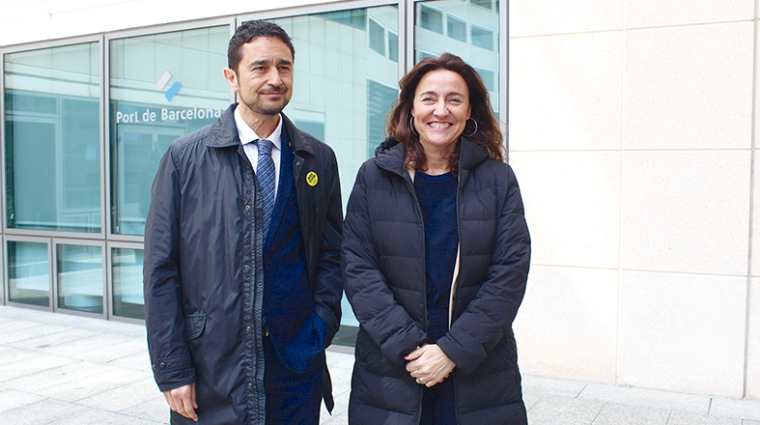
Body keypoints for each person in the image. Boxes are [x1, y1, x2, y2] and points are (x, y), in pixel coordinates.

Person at [143, 20, 343, 425]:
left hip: (294, 366)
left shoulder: (318, 158)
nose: (275, 78)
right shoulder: (185, 159)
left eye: (284, 67)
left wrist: (319, 326)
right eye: (260, 67)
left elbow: (331, 255)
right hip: (211, 368)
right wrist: (172, 368)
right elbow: (160, 270)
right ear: (231, 77)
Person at [341, 52, 531, 425]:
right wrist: (411, 349)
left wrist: (451, 351)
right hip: (393, 368)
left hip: (478, 369)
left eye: (454, 99)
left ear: (469, 110)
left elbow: (509, 275)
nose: (440, 110)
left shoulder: (498, 180)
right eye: (429, 98)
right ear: (411, 109)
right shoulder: (373, 178)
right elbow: (357, 267)